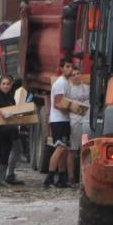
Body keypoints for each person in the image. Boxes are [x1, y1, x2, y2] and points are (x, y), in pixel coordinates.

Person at [0, 75, 24, 187]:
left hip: (8, 127)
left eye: (8, 84)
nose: (6, 86)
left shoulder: (10, 97)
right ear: (0, 85)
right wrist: (3, 113)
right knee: (12, 137)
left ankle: (1, 176)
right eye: (3, 84)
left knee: (7, 150)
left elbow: (13, 109)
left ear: (11, 85)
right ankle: (2, 177)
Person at [43, 59, 74, 188]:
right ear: (61, 68)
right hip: (59, 120)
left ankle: (61, 178)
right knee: (60, 148)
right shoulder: (61, 83)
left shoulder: (67, 83)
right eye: (67, 66)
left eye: (71, 67)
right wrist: (72, 108)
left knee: (64, 149)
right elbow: (57, 103)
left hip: (64, 120)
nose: (70, 69)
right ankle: (49, 177)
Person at [67, 66, 90, 185]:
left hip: (86, 121)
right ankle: (71, 177)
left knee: (85, 150)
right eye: (74, 74)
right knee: (72, 150)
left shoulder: (87, 88)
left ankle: (84, 177)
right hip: (74, 121)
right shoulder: (69, 90)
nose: (76, 76)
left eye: (78, 73)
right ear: (70, 77)